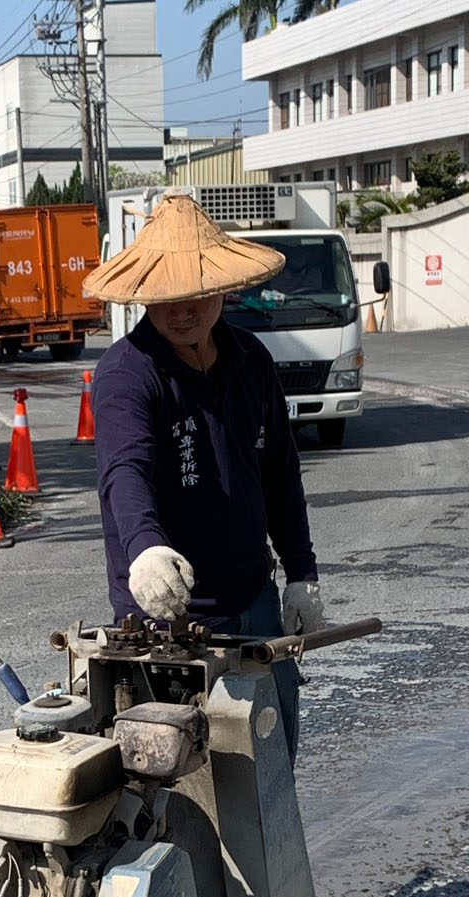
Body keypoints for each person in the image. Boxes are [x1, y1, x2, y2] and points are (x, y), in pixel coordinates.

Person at [84, 193, 324, 762]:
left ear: (221, 287)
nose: (182, 309)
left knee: (268, 769)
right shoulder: (126, 375)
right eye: (166, 296)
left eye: (195, 292)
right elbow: (126, 471)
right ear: (144, 295)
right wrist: (144, 548)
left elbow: (280, 474)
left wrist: (301, 573)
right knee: (179, 780)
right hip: (167, 620)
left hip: (254, 601)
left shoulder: (252, 360)